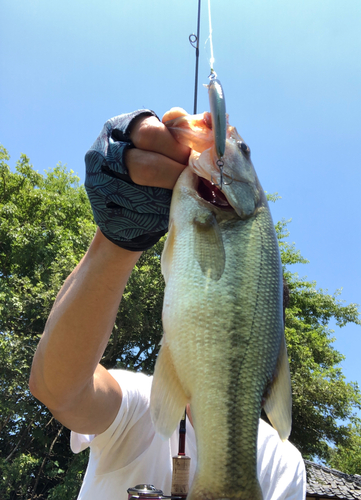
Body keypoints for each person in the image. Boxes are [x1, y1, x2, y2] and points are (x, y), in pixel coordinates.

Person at [29, 108, 306, 499]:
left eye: (241, 149)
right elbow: (58, 390)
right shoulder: (137, 403)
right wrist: (117, 239)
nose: (234, 145)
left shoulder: (282, 463)